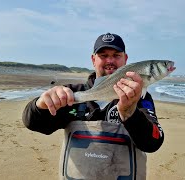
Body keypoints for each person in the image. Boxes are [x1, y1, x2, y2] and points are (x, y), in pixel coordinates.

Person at [22, 33, 164, 180]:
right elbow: (33, 122)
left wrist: (130, 113)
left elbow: (153, 142)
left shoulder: (140, 97)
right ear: (93, 59)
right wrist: (41, 105)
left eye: (116, 55)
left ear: (125, 59)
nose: (110, 60)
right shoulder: (73, 94)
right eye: (103, 55)